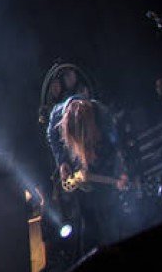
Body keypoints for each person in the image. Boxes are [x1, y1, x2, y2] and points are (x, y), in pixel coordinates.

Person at [46, 94, 130, 254]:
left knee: (109, 217)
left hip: (102, 164)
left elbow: (117, 147)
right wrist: (62, 161)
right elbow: (52, 135)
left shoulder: (103, 116)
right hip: (79, 172)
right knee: (88, 223)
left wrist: (121, 171)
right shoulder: (57, 114)